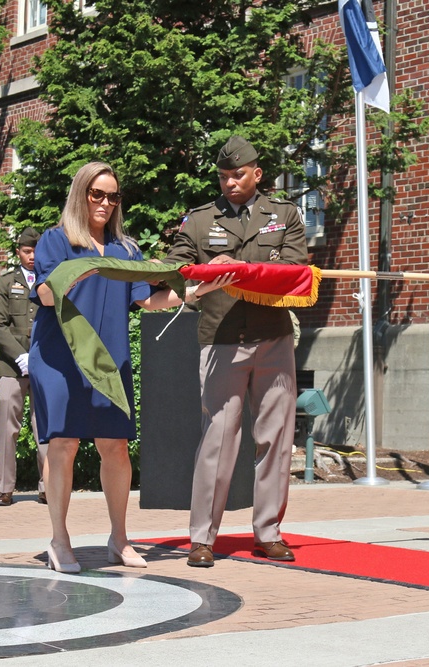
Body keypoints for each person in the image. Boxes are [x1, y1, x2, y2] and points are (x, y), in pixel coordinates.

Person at [29, 161, 190, 573]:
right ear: (81, 194)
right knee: (63, 444)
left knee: (115, 447)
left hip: (109, 359)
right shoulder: (57, 240)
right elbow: (46, 296)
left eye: (112, 196)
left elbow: (147, 301)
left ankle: (119, 540)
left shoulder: (126, 250)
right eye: (96, 194)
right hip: (61, 358)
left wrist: (199, 290)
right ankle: (59, 541)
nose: (104, 202)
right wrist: (78, 272)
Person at [165, 135, 308, 568]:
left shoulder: (283, 215)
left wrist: (244, 271)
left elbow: (294, 268)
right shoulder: (199, 219)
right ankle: (202, 538)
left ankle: (268, 532)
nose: (229, 183)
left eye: (238, 175)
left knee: (276, 439)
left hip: (272, 336)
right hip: (221, 336)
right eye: (224, 176)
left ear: (257, 174)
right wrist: (211, 269)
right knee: (218, 439)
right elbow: (178, 266)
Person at [0, 227, 47, 507]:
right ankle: (5, 488)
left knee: (45, 429)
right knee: (7, 428)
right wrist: (20, 356)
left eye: (36, 250)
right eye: (27, 251)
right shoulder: (5, 281)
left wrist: (36, 357)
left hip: (46, 364)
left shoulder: (51, 278)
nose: (32, 256)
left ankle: (48, 486)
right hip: (11, 366)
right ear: (18, 252)